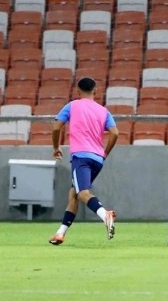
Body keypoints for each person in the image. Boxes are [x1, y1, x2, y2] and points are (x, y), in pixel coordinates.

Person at [49, 77, 118, 245]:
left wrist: (56, 147)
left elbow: (56, 126)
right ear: (96, 91)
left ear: (78, 91)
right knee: (74, 193)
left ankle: (104, 215)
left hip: (81, 157)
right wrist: (104, 154)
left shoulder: (72, 106)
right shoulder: (103, 111)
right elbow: (115, 133)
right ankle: (60, 233)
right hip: (97, 159)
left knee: (82, 193)